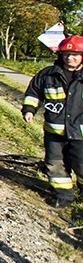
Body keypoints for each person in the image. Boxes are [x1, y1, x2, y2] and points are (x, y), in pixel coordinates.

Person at [22, 35, 83, 208]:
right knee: (55, 165)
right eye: (66, 54)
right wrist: (29, 110)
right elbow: (33, 94)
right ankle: (62, 196)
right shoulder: (47, 75)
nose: (70, 57)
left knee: (81, 164)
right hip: (54, 133)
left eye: (75, 54)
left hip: (80, 134)